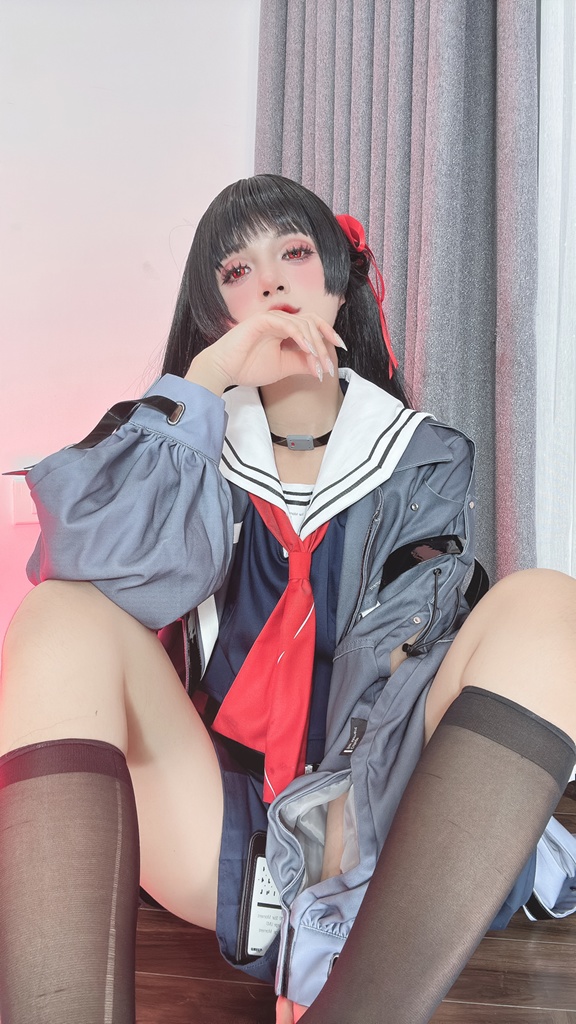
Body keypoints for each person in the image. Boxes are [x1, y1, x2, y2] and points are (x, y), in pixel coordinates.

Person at [0, 173, 575, 1024]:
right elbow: (100, 566)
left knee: (549, 601)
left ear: (338, 282)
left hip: (372, 819)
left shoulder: (421, 457)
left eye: (294, 253)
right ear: (217, 310)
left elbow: (413, 669)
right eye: (237, 271)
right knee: (60, 613)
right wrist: (204, 382)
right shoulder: (182, 438)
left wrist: (337, 819)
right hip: (223, 830)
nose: (269, 282)